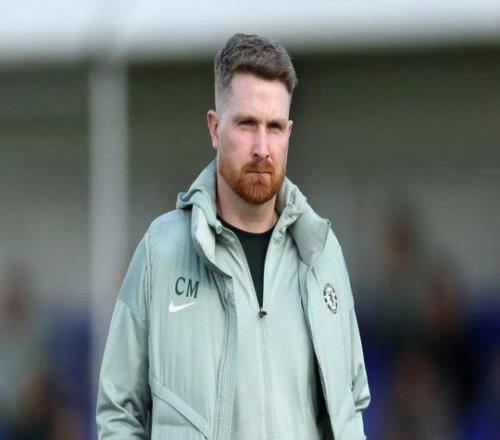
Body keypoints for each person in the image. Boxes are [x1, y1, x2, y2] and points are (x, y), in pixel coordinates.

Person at [96, 33, 370, 440]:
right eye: (247, 124)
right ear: (214, 127)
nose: (262, 147)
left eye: (274, 127)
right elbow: (118, 411)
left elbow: (353, 403)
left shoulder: (322, 253)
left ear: (289, 132)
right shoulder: (161, 251)